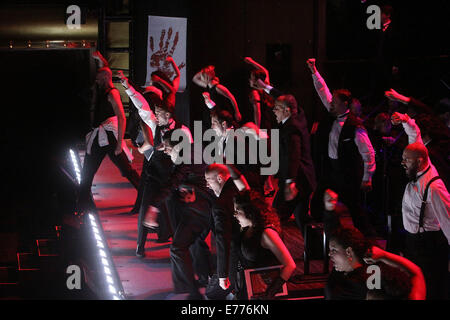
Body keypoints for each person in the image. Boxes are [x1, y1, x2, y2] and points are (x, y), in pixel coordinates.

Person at [118, 70, 193, 256]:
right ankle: (140, 246)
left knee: (176, 213)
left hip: (173, 178)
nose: (155, 116)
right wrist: (128, 88)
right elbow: (142, 107)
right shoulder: (154, 124)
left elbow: (189, 158)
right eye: (156, 113)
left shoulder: (183, 131)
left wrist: (186, 184)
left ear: (168, 115)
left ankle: (181, 246)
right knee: (145, 208)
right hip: (154, 174)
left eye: (159, 113)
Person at [306, 58, 377, 237]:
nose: (331, 104)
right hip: (332, 170)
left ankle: (369, 240)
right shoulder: (332, 114)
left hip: (348, 173)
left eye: (334, 102)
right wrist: (314, 71)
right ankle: (324, 235)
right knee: (316, 203)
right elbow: (323, 92)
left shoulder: (355, 126)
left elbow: (368, 153)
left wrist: (367, 177)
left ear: (344, 104)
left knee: (356, 210)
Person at [153, 129, 214, 300]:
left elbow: (174, 181)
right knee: (192, 245)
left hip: (199, 209)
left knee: (179, 247)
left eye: (167, 148)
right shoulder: (192, 151)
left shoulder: (186, 157)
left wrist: (154, 206)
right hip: (198, 207)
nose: (165, 151)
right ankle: (199, 281)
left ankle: (193, 291)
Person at [77, 51, 140, 211]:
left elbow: (122, 117)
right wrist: (100, 60)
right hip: (99, 137)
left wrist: (119, 144)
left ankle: (145, 197)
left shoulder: (112, 93)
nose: (96, 80)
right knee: (87, 172)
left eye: (98, 78)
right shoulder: (101, 90)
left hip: (110, 138)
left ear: (104, 79)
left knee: (127, 171)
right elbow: (105, 70)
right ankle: (82, 205)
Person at [396, 140, 450, 299]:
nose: (403, 162)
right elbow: (415, 138)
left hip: (428, 245)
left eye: (407, 159)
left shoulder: (434, 186)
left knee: (430, 287)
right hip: (413, 241)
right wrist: (406, 121)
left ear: (420, 161)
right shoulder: (417, 175)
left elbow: (448, 220)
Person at [232, 189, 296, 300]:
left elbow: (290, 265)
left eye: (238, 211)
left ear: (250, 212)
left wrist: (269, 294)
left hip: (261, 291)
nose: (235, 215)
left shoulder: (267, 233)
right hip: (245, 288)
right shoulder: (246, 229)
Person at [271, 94, 317, 235]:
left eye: (277, 108)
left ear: (287, 110)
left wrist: (290, 182)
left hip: (297, 181)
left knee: (274, 216)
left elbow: (293, 155)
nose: (274, 111)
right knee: (302, 218)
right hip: (304, 180)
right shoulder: (298, 120)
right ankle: (315, 250)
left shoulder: (291, 128)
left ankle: (274, 250)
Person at [204, 163, 241, 298]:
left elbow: (223, 241)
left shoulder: (220, 206)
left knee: (212, 293)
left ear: (220, 178)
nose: (207, 185)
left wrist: (222, 275)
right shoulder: (239, 187)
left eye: (208, 180)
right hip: (253, 247)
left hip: (235, 254)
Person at [325, 227, 372, 300]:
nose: (329, 254)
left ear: (349, 251)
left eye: (333, 250)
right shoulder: (339, 271)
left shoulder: (363, 283)